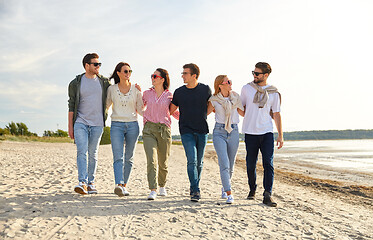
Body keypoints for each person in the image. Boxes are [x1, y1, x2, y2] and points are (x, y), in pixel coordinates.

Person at [240, 62, 283, 207]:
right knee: (250, 164)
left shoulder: (274, 92)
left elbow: (276, 114)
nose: (254, 75)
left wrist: (280, 135)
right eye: (253, 72)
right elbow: (242, 109)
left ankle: (267, 194)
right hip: (250, 132)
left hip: (267, 132)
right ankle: (252, 189)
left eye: (257, 73)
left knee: (268, 163)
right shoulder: (246, 89)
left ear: (266, 75)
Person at [68, 53, 111, 195]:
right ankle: (82, 182)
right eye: (95, 64)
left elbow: (112, 97)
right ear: (87, 65)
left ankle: (91, 182)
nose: (98, 66)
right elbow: (71, 105)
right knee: (82, 151)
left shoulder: (104, 82)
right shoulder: (75, 83)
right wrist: (70, 127)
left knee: (93, 153)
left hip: (98, 123)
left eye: (99, 64)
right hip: (80, 122)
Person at [170, 63, 212, 202]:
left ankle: (194, 185)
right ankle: (195, 190)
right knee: (192, 161)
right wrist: (181, 116)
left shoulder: (205, 89)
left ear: (194, 75)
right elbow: (171, 110)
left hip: (202, 130)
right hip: (186, 130)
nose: (182, 75)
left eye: (185, 73)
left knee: (199, 162)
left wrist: (203, 115)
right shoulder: (179, 92)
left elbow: (210, 105)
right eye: (182, 73)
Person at [106, 62, 143, 197]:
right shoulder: (111, 89)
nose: (128, 74)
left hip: (133, 125)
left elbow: (140, 109)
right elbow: (106, 106)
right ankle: (119, 184)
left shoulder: (136, 89)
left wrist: (153, 116)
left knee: (129, 157)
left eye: (130, 71)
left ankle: (124, 185)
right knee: (118, 156)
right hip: (116, 125)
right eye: (126, 71)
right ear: (119, 73)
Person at [142, 68, 179, 200]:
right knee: (151, 160)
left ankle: (162, 185)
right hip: (149, 130)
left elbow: (174, 113)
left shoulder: (171, 96)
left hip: (164, 130)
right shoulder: (146, 93)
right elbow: (139, 106)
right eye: (152, 75)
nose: (152, 77)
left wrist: (190, 117)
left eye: (155, 76)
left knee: (163, 162)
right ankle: (153, 189)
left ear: (162, 79)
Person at [207, 75, 244, 204]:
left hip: (233, 131)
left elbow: (243, 113)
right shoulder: (213, 100)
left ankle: (224, 187)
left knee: (231, 164)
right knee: (224, 164)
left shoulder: (236, 97)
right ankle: (229, 193)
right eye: (228, 82)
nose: (230, 83)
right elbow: (204, 113)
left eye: (230, 81)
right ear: (220, 85)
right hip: (219, 132)